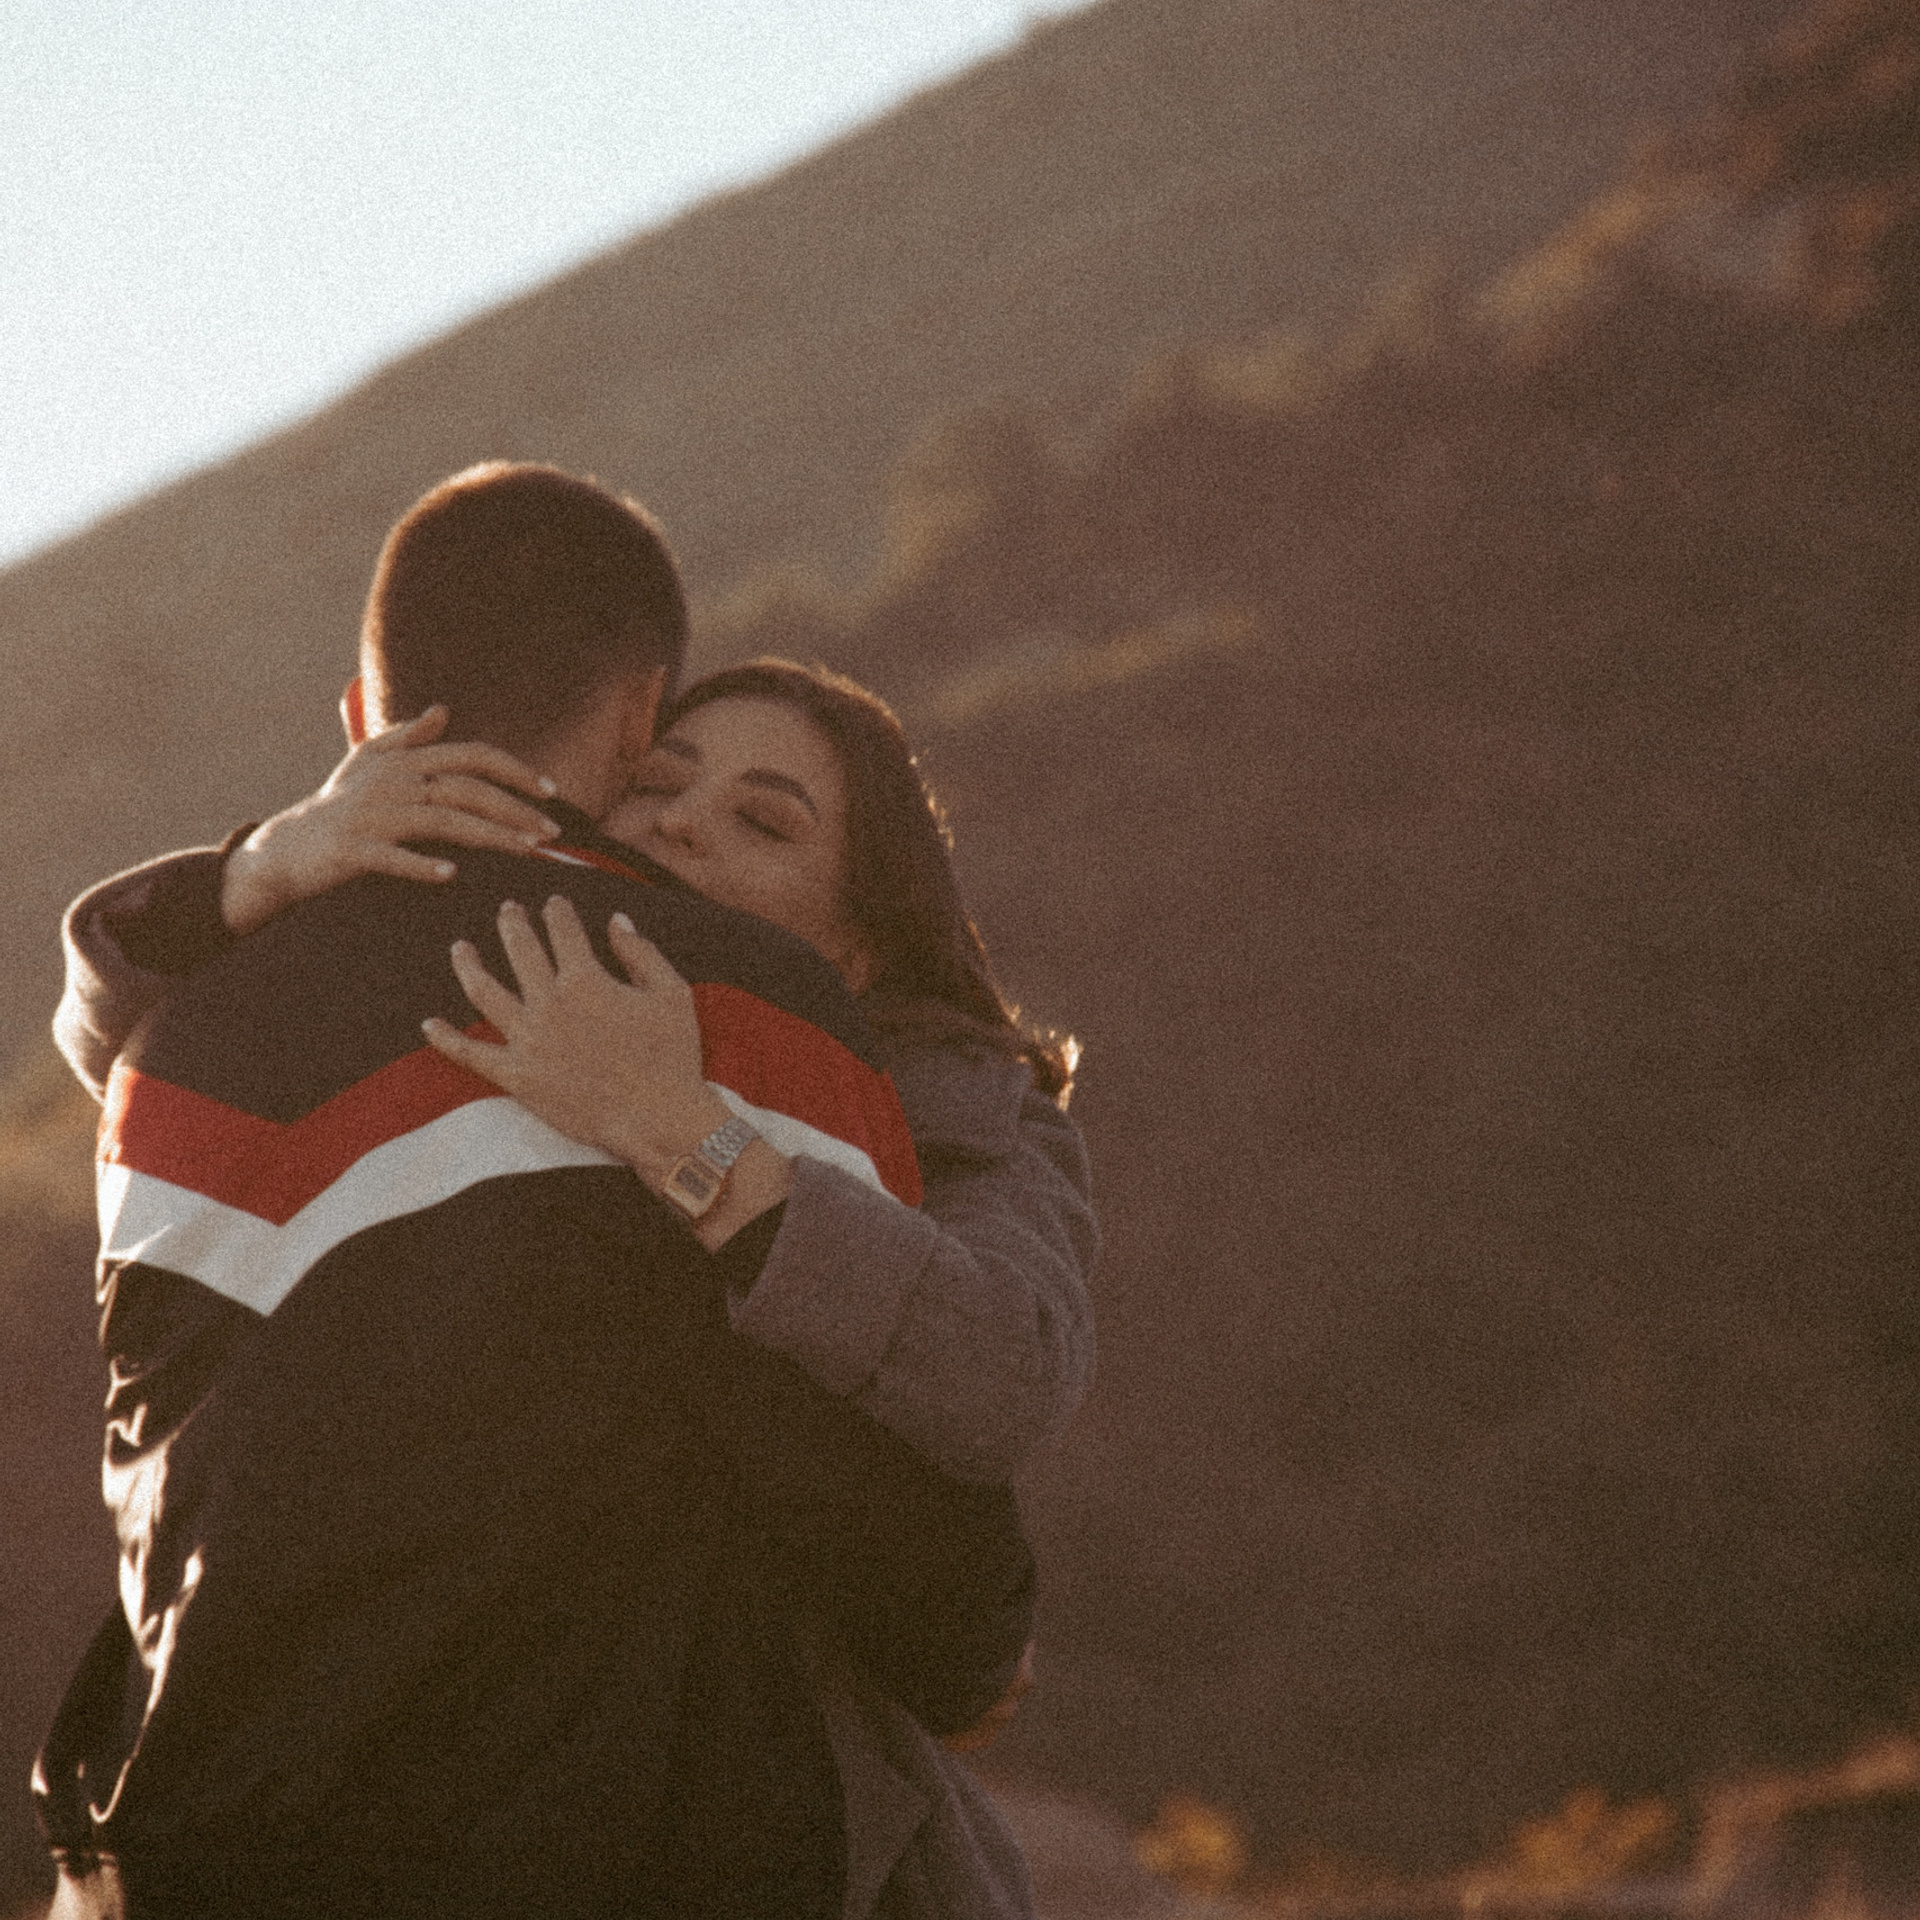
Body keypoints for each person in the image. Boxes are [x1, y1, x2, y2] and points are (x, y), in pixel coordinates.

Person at [34, 464, 1038, 1920]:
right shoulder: (749, 1010)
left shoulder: (173, 1051)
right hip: (645, 1848)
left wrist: (250, 876)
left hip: (214, 1844)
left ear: (356, 720)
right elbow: (914, 1527)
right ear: (639, 715)